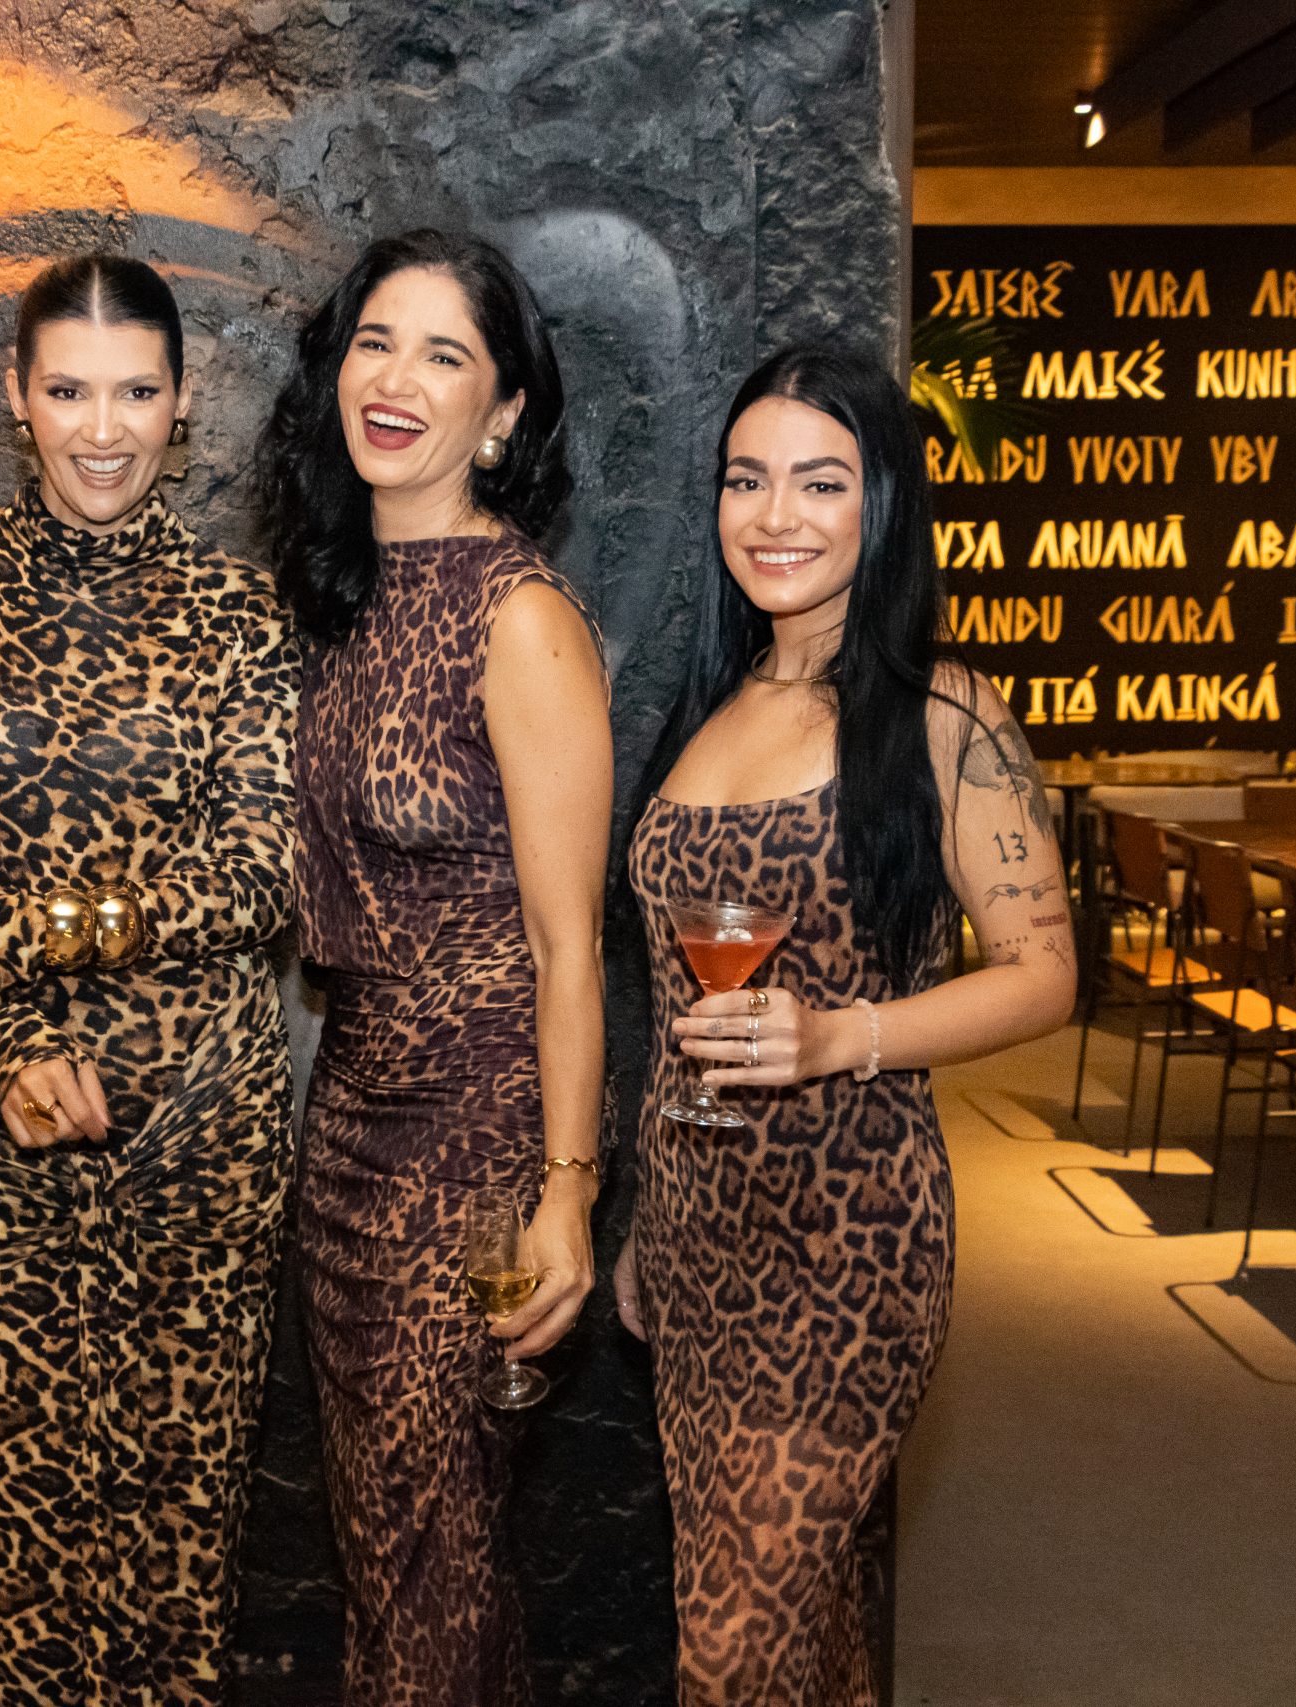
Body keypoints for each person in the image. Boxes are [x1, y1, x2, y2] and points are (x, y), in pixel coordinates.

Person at [0, 254, 297, 1705]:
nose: (104, 431)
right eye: (70, 390)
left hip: (197, 1132)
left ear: (184, 401)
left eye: (137, 393)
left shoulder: (240, 614)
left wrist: (19, 935)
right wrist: (11, 1039)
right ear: (17, 396)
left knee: (175, 1521)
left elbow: (257, 879)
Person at [614, 346, 1076, 1705]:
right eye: (746, 479)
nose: (776, 516)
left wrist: (835, 1036)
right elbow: (676, 1012)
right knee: (804, 1639)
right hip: (697, 1239)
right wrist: (645, 1217)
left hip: (850, 1243)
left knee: (731, 1659)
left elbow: (1044, 977)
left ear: (883, 503)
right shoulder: (708, 706)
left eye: (822, 483)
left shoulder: (942, 712)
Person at [258, 228, 613, 1706]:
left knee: (429, 1555)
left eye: (445, 354)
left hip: (475, 1143)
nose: (396, 380)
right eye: (375, 342)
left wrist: (567, 1191)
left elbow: (570, 944)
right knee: (402, 1556)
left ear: (504, 411)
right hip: (347, 1128)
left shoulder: (518, 617)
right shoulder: (335, 599)